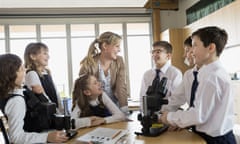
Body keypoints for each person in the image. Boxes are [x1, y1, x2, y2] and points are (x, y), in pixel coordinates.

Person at [160, 26, 236, 144]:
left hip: (216, 140)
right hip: (202, 135)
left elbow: (198, 115)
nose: (191, 51)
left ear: (211, 48)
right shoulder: (207, 73)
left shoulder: (212, 76)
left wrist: (169, 117)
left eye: (195, 45)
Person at [0, 53, 68, 143]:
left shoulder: (15, 93)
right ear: (11, 75)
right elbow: (16, 137)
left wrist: (39, 94)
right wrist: (47, 137)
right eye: (21, 69)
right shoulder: (16, 100)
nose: (25, 70)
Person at [79, 31, 129, 114]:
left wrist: (124, 109)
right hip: (94, 109)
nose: (119, 50)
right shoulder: (88, 64)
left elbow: (121, 86)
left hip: (115, 108)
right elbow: (81, 91)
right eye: (117, 46)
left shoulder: (119, 61)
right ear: (105, 46)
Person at [139, 41, 182, 111]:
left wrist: (161, 112)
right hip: (149, 115)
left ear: (168, 56)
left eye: (158, 52)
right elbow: (142, 97)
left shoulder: (175, 73)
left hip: (167, 115)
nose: (154, 54)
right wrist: (145, 112)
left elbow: (176, 99)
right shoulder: (147, 74)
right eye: (153, 52)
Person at [24, 42, 63, 112]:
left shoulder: (46, 73)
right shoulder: (31, 74)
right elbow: (43, 97)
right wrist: (57, 111)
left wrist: (61, 110)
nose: (48, 56)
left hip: (53, 112)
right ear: (33, 56)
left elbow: (56, 95)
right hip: (46, 114)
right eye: (45, 53)